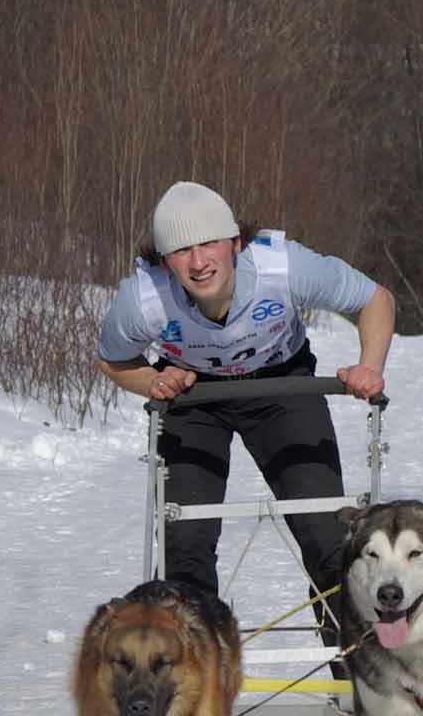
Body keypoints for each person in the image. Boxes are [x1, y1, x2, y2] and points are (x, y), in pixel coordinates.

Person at [95, 180, 395, 620]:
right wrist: (152, 382)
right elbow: (111, 359)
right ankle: (195, 667)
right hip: (194, 397)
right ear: (164, 262)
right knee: (186, 540)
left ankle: (350, 662)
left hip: (281, 387)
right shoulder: (142, 299)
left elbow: (375, 299)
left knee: (325, 530)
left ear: (235, 243)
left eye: (209, 244)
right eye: (181, 251)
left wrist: (369, 365)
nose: (198, 263)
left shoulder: (283, 266)